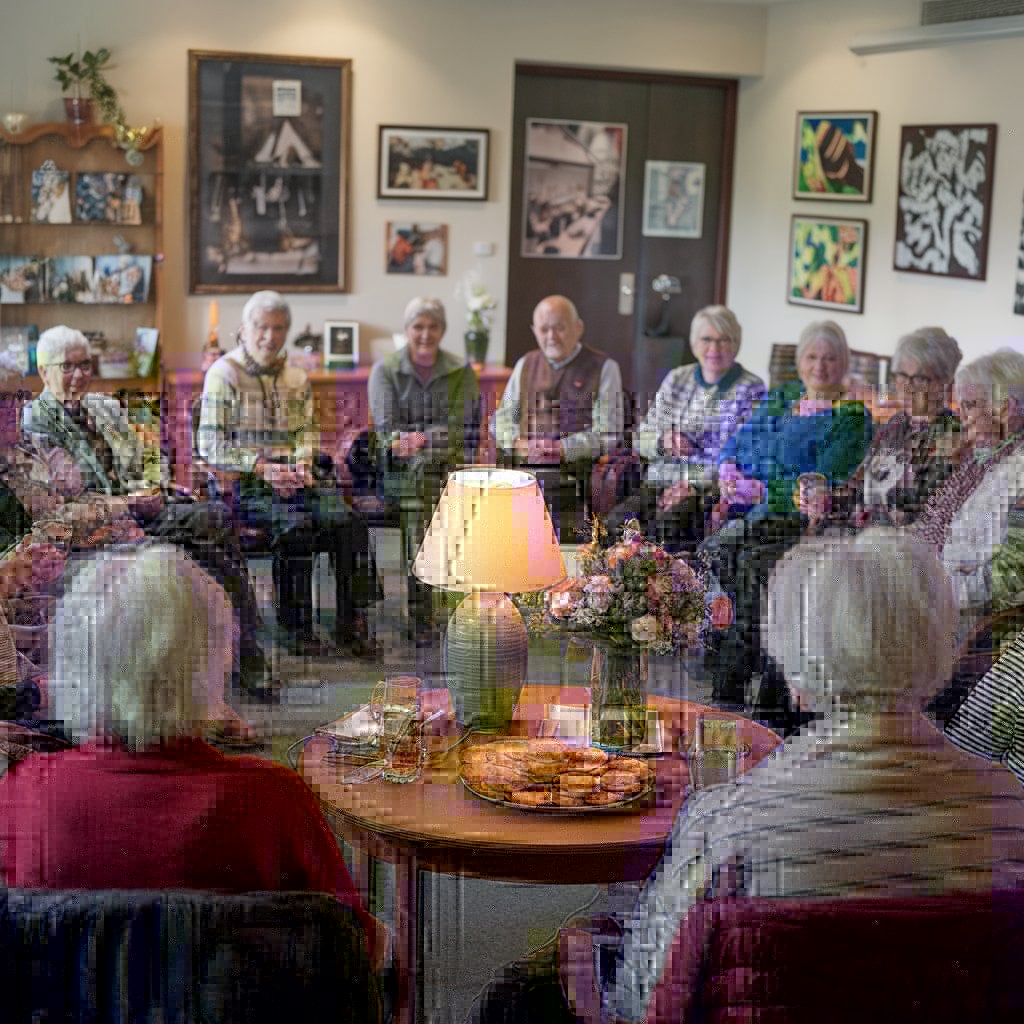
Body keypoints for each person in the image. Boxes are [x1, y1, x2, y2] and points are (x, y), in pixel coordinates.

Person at [469, 530, 1024, 1024]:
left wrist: (580, 955)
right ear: (941, 647)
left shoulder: (730, 824)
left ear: (799, 671)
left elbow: (647, 998)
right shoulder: (1012, 812)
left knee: (519, 993)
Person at [0, 545, 387, 977]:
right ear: (210, 658)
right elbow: (354, 950)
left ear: (76, 659)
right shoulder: (271, 796)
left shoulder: (25, 790)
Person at [23, 326, 276, 699]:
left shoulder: (103, 407)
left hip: (143, 507)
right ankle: (246, 663)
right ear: (44, 372)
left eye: (85, 365)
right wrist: (128, 503)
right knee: (213, 557)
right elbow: (61, 501)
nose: (79, 375)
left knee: (216, 521)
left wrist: (156, 484)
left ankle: (240, 659)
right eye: (67, 367)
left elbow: (148, 454)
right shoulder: (36, 423)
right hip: (102, 525)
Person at [693, 320, 872, 712]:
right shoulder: (784, 395)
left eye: (830, 358)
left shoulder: (852, 417)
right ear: (799, 360)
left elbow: (826, 478)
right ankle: (737, 665)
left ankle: (736, 682)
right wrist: (728, 469)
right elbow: (740, 441)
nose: (820, 367)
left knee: (752, 567)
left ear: (843, 364)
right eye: (812, 356)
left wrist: (762, 487)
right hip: (758, 511)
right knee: (715, 553)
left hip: (804, 522)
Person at [198, 290, 380, 656]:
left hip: (298, 476)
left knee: (349, 524)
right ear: (244, 329)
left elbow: (306, 431)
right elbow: (209, 444)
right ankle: (296, 627)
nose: (270, 336)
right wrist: (262, 468)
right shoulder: (224, 374)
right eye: (261, 327)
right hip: (249, 482)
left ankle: (350, 621)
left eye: (278, 328)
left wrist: (301, 462)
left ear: (287, 332)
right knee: (297, 527)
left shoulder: (297, 376)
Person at [368, 297, 480, 643]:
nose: (425, 334)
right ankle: (425, 608)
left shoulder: (461, 371)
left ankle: (429, 608)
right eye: (418, 326)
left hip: (450, 466)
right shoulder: (384, 371)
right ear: (406, 330)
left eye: (433, 326)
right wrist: (425, 438)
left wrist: (419, 436)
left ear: (443, 330)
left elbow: (465, 429)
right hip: (401, 473)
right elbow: (387, 434)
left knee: (429, 488)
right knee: (422, 499)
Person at [608, 305, 766, 548]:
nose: (714, 349)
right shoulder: (677, 380)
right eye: (707, 340)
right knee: (614, 525)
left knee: (662, 533)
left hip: (706, 490)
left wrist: (688, 484)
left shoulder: (750, 389)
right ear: (694, 342)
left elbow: (740, 458)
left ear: (736, 344)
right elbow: (643, 437)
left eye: (724, 340)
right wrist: (664, 442)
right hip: (659, 482)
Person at [912, 348, 1024, 637]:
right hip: (934, 598)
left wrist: (934, 587)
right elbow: (935, 526)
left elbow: (1011, 581)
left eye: (970, 406)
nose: (962, 419)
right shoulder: (982, 458)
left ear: (1007, 408)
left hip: (975, 629)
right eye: (960, 407)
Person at [493, 295, 624, 539]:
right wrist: (517, 443)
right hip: (523, 460)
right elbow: (503, 418)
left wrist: (562, 448)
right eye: (544, 329)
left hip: (574, 467)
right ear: (534, 331)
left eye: (560, 327)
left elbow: (609, 433)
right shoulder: (525, 364)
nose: (551, 336)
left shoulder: (603, 368)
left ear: (578, 328)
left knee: (541, 489)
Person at [851, 326, 962, 527]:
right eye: (902, 375)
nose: (907, 387)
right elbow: (861, 480)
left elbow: (918, 510)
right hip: (865, 531)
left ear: (945, 382)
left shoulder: (952, 435)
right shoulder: (896, 423)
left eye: (920, 378)